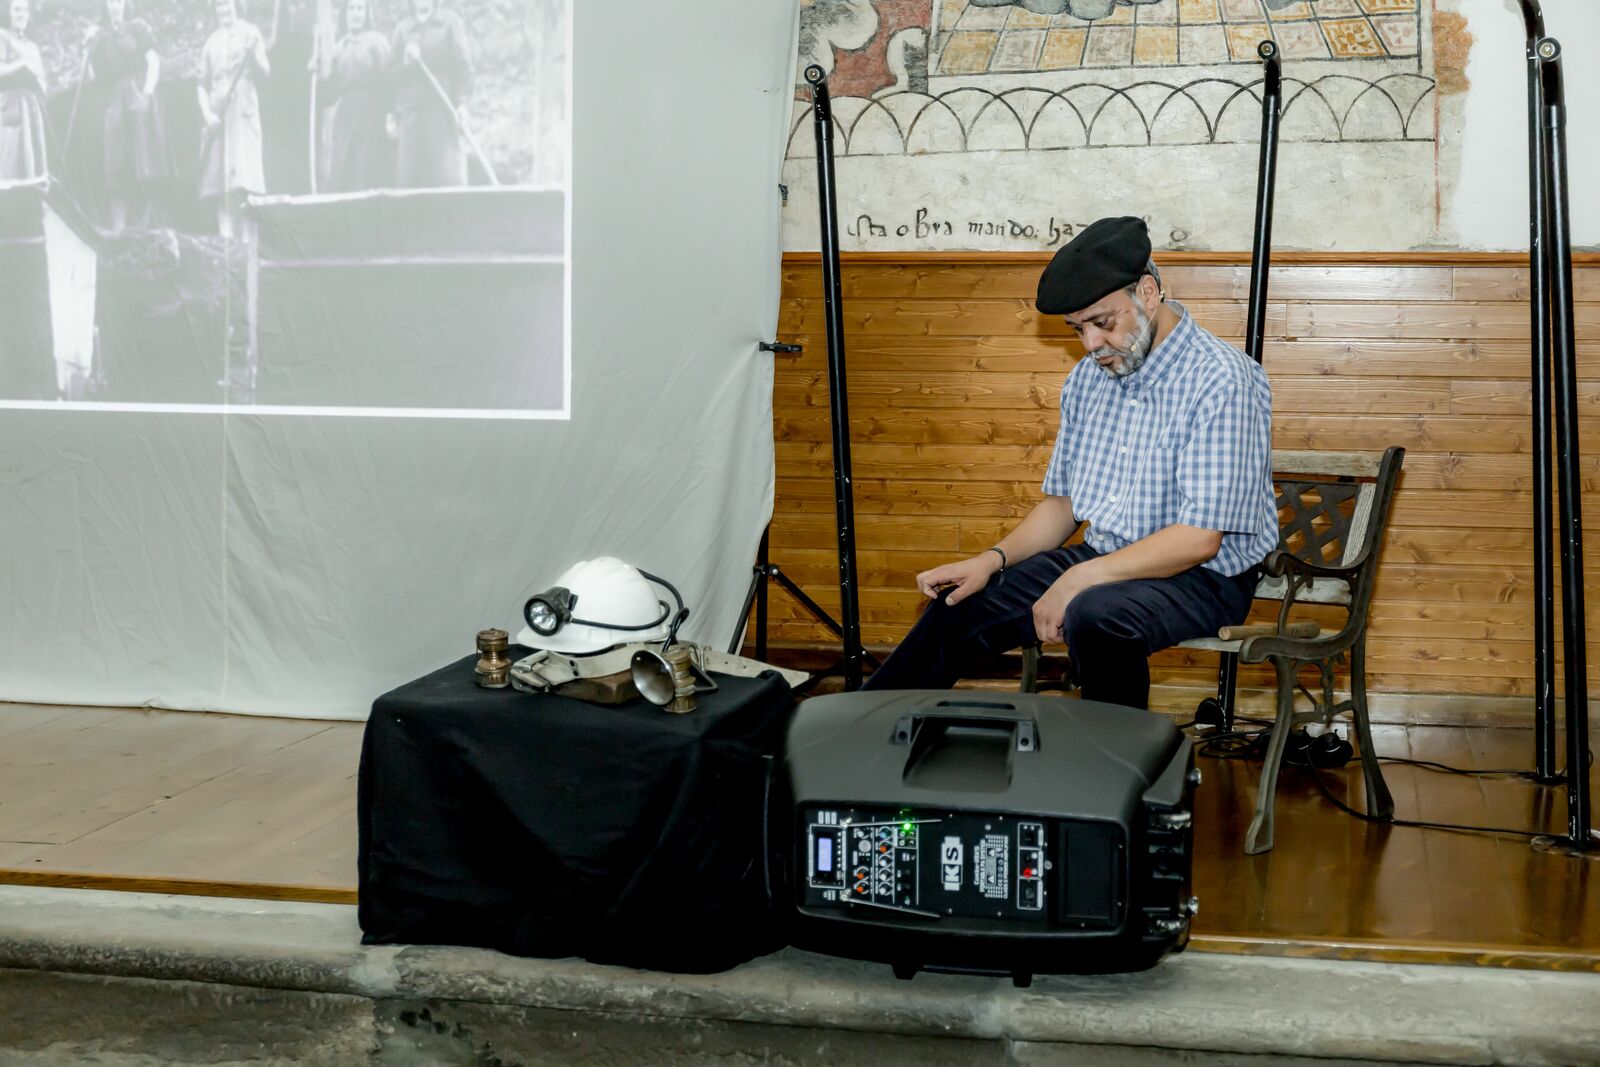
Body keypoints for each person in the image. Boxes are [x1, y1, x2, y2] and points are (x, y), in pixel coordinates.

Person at [861, 216, 1277, 711]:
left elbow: (1198, 539)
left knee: (1096, 614)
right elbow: (1062, 506)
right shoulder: (1088, 379)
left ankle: (1113, 776)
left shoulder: (1222, 378)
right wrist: (989, 560)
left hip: (1203, 577)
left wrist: (1079, 578)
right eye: (1078, 329)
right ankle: (853, 734)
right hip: (1104, 558)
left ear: (1148, 292)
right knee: (958, 603)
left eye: (1103, 323)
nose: (1091, 345)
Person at [87, 0, 170, 231]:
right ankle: (119, 228)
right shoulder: (101, 36)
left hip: (139, 93)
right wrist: (89, 46)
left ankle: (147, 224)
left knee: (144, 159)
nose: (115, 5)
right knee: (116, 163)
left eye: (119, 0)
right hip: (115, 101)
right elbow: (93, 75)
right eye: (110, 1)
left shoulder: (139, 27)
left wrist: (147, 93)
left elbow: (153, 61)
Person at [198, 0, 268, 238]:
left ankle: (247, 242)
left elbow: (266, 72)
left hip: (243, 112)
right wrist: (207, 114)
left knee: (243, 181)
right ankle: (225, 239)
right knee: (219, 184)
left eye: (227, 3)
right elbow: (201, 84)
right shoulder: (211, 42)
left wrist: (254, 57)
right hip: (219, 114)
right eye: (218, 5)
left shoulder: (250, 33)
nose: (223, 9)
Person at [388, 0, 471, 188]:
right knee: (408, 183)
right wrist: (406, 62)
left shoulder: (449, 23)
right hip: (411, 117)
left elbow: (463, 69)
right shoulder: (403, 29)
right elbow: (390, 78)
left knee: (448, 180)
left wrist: (462, 104)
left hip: (442, 114)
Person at [314, 0, 391, 192]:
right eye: (351, 8)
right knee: (340, 169)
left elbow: (389, 80)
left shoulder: (376, 42)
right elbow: (329, 95)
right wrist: (317, 75)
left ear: (366, 13)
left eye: (360, 9)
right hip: (345, 115)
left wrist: (389, 113)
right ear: (345, 13)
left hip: (370, 114)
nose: (355, 14)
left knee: (364, 170)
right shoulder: (339, 47)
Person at [0, 0, 47, 182]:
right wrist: (21, 65)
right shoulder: (3, 37)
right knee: (11, 165)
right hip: (11, 105)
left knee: (33, 167)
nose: (21, 14)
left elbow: (42, 79)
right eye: (16, 9)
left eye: (24, 10)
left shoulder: (33, 47)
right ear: (9, 13)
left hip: (32, 107)